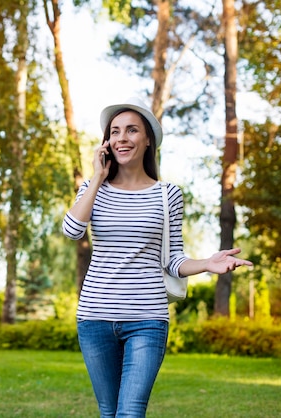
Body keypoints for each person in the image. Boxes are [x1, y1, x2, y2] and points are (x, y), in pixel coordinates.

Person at [61, 97, 253, 418]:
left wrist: (207, 263)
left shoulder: (168, 194)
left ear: (148, 138)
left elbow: (173, 259)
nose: (122, 138)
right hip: (95, 317)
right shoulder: (93, 189)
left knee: (131, 411)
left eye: (132, 130)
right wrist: (96, 176)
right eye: (115, 132)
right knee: (109, 411)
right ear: (107, 142)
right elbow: (72, 230)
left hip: (147, 318)